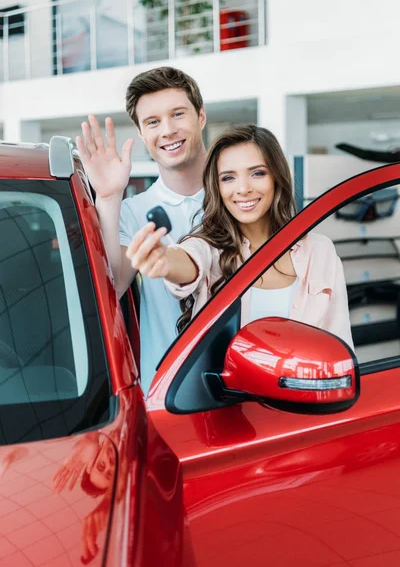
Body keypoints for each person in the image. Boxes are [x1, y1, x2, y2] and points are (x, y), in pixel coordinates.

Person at [126, 125, 354, 349]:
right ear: (216, 186)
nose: (243, 188)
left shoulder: (320, 250)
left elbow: (340, 344)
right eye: (228, 178)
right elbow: (188, 261)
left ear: (276, 177)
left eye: (257, 173)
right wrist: (165, 259)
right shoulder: (209, 247)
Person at [76, 67, 207, 395]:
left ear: (201, 116)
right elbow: (114, 286)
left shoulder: (241, 199)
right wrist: (108, 197)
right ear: (140, 131)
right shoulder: (133, 211)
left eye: (178, 114)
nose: (168, 130)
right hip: (168, 397)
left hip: (248, 391)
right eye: (153, 122)